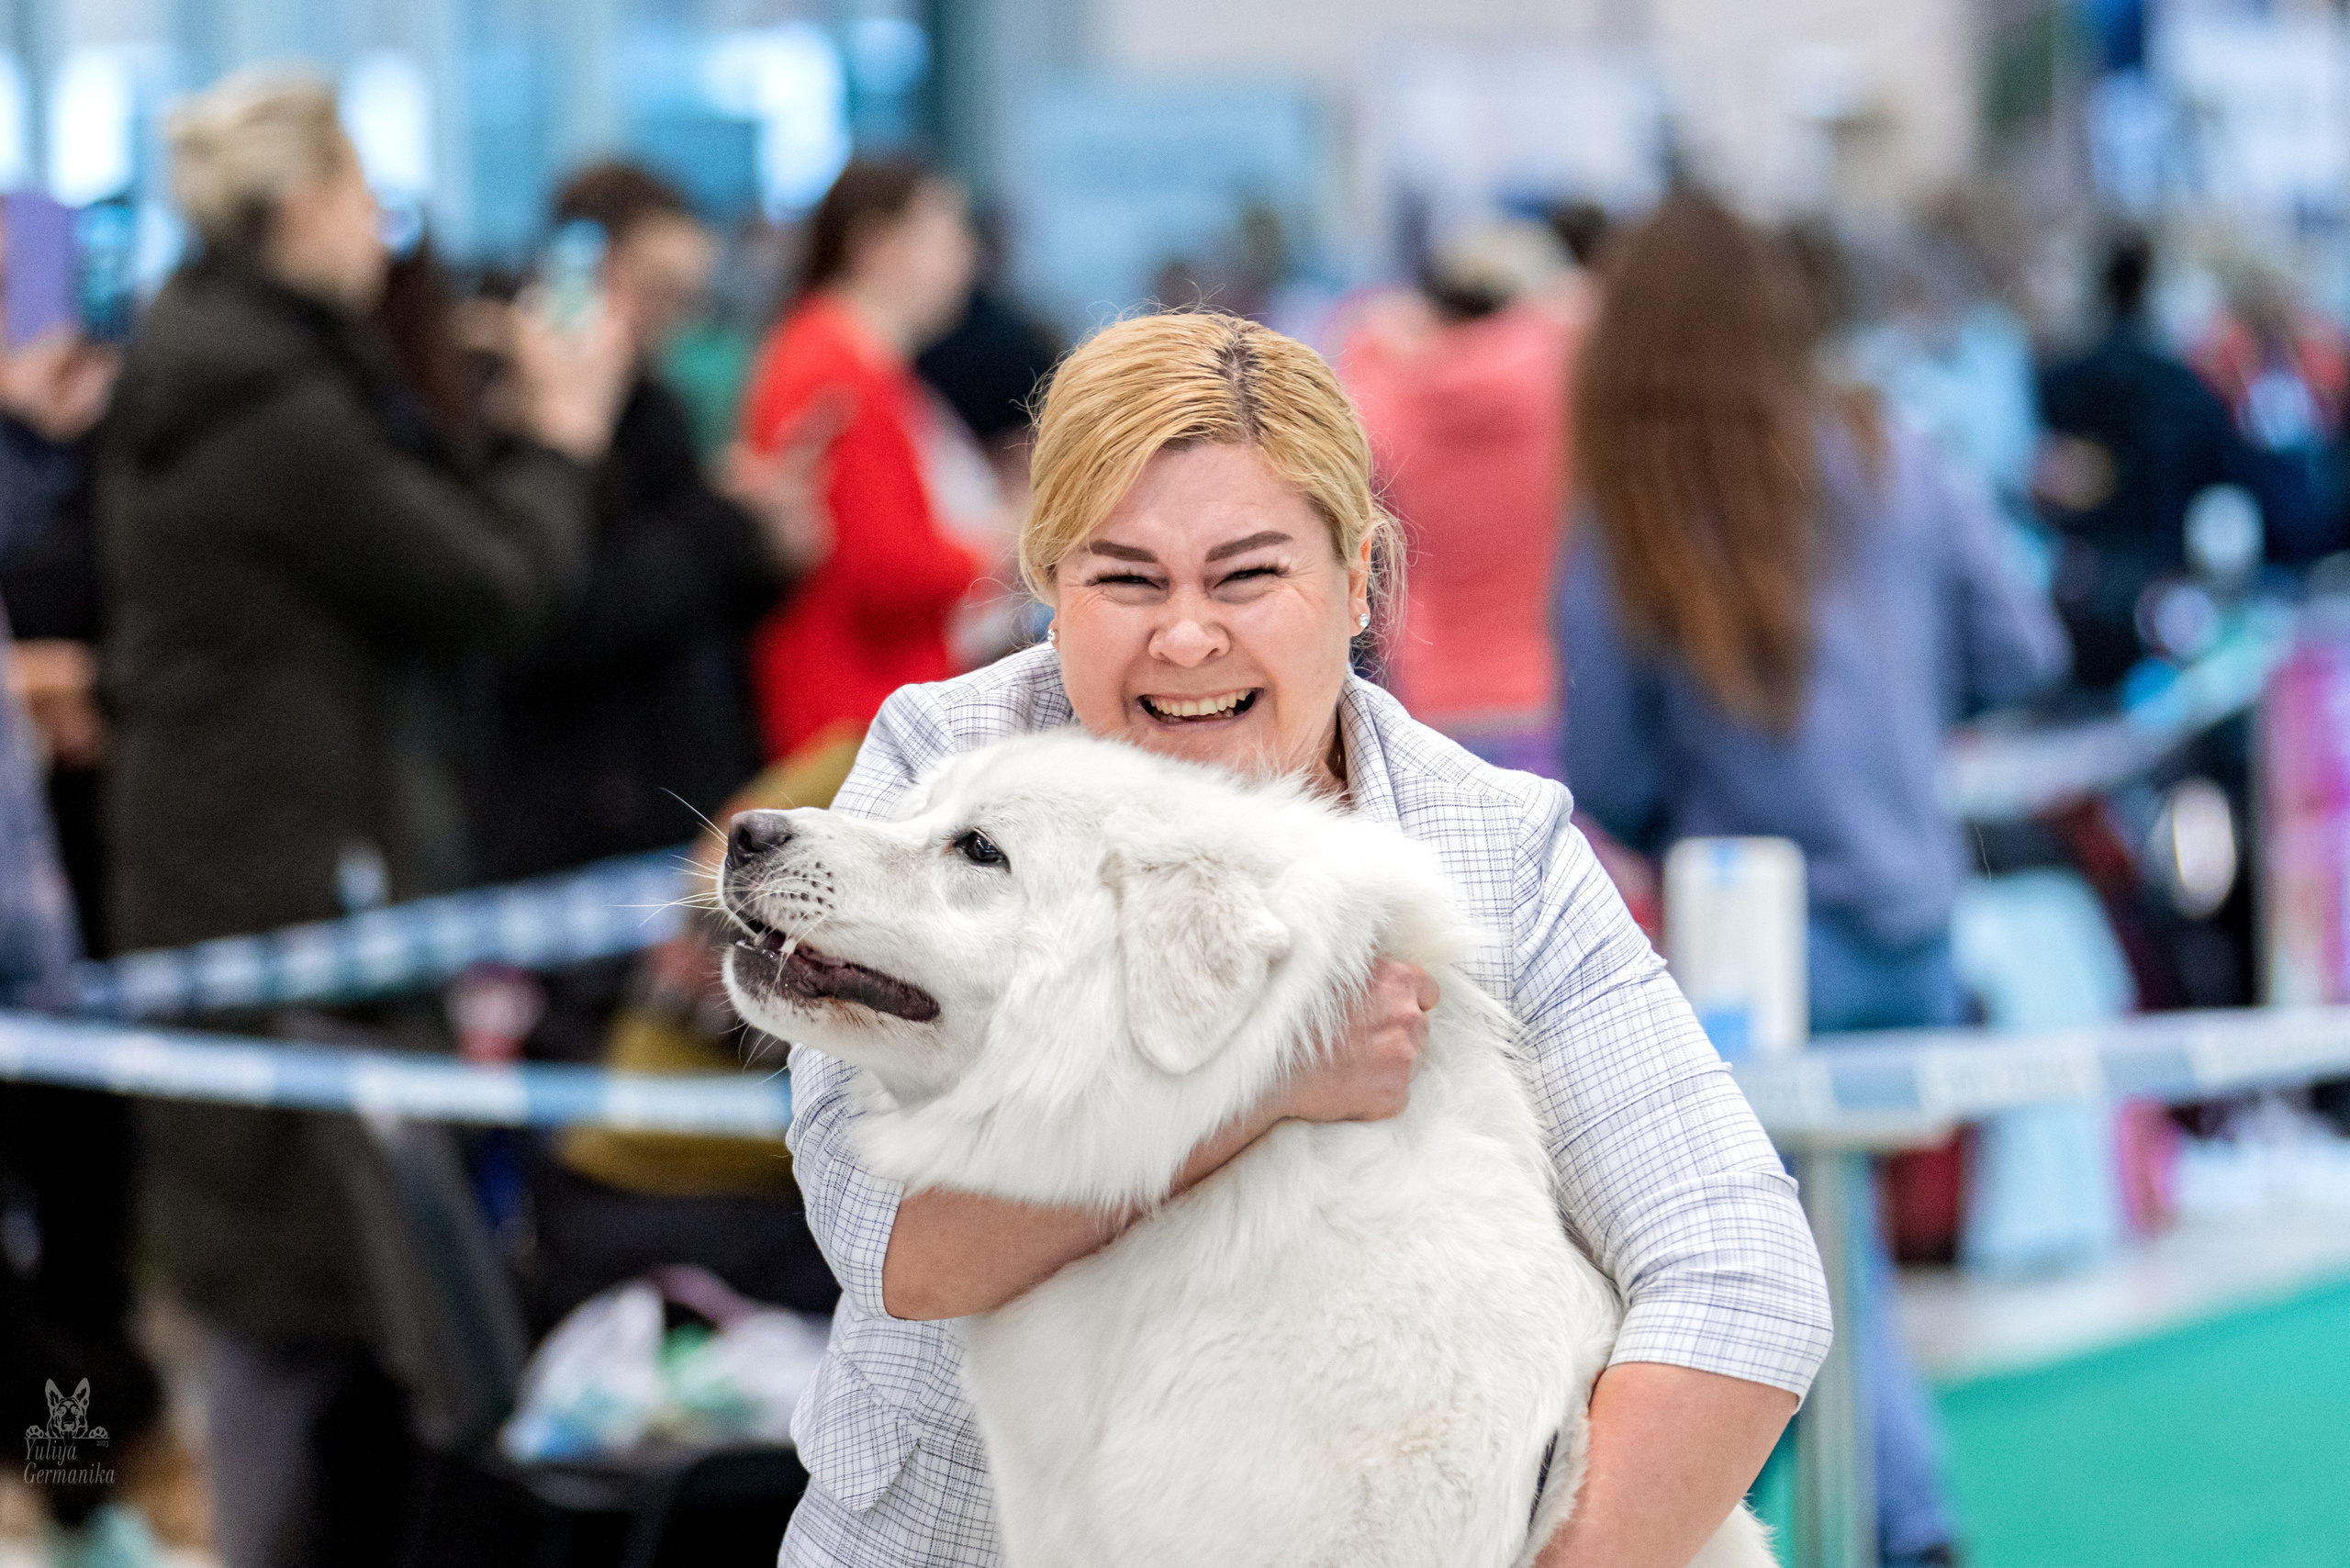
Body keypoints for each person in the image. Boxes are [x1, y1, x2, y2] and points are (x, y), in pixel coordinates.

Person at [778, 309, 1830, 1566]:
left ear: (1362, 581)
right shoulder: (935, 771)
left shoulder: (1492, 850)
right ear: (1048, 590)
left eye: (1246, 575)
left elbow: (1743, 1277)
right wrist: (1264, 1085)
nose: (1184, 636)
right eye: (1124, 577)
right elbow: (900, 1244)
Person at [97, 71, 628, 1568]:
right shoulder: (273, 407)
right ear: (302, 205)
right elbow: (487, 586)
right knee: (302, 1309)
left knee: (314, 1297)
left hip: (254, 883)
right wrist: (563, 441)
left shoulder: (224, 365)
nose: (382, 230)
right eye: (360, 194)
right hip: (285, 904)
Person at [1558, 190, 2069, 1568]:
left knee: (1775, 1269)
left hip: (1749, 936)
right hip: (1915, 915)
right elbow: (2021, 648)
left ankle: (1901, 1526)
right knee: (1834, 1259)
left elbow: (1603, 759)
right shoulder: (1892, 445)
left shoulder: (1637, 500)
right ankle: (1869, 1521)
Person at [461, 160, 831, 885]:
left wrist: (770, 554)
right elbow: (564, 611)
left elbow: (689, 602)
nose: (676, 321)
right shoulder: (511, 410)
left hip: (670, 788)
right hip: (569, 811)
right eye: (659, 292)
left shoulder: (651, 403)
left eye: (691, 297)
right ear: (582, 273)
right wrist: (727, 521)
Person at [738, 157, 991, 761]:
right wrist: (995, 552)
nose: (965, 260)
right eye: (946, 236)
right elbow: (882, 566)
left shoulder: (851, 360)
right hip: (857, 704)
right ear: (876, 244)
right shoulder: (833, 367)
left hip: (873, 695)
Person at [1338, 221, 1583, 774]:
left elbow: (1354, 348)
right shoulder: (1558, 386)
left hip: (1429, 693)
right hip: (1547, 688)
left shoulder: (1387, 403)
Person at [2035, 229, 2256, 689]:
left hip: (2080, 591)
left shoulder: (2060, 382)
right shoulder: (2182, 384)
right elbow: (2228, 478)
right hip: (2170, 588)